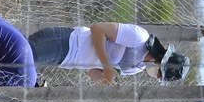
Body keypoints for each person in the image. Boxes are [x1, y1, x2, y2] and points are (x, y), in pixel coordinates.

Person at [27, 23, 190, 85]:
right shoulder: (139, 38)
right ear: (161, 60)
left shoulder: (137, 68)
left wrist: (106, 80)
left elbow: (91, 71)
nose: (157, 76)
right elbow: (97, 29)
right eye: (160, 72)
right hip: (65, 42)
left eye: (160, 78)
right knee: (17, 57)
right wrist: (107, 66)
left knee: (14, 62)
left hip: (66, 60)